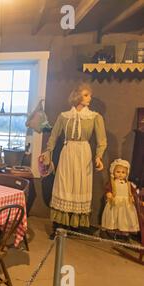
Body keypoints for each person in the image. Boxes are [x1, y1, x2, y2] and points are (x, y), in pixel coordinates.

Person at [40, 83, 107, 238]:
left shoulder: (95, 117)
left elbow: (101, 140)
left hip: (84, 153)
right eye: (86, 95)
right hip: (67, 152)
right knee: (64, 183)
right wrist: (48, 152)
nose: (89, 98)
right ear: (77, 96)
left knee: (80, 185)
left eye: (89, 95)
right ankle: (59, 225)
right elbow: (54, 136)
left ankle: (75, 225)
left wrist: (99, 156)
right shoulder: (64, 116)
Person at [101, 159, 140, 241]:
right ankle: (111, 232)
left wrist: (132, 196)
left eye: (123, 172)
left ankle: (124, 234)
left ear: (126, 174)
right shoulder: (112, 183)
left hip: (126, 205)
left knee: (124, 219)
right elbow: (108, 189)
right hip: (115, 203)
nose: (120, 174)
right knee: (113, 218)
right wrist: (109, 194)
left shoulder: (129, 184)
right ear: (113, 172)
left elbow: (133, 192)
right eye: (118, 172)